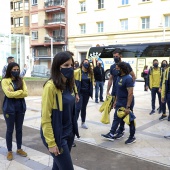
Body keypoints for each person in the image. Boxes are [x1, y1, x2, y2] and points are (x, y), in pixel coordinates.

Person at [40, 51, 79, 170]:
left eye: (71, 65)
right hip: (57, 135)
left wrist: (76, 94)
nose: (70, 68)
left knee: (57, 166)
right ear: (58, 67)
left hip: (69, 132)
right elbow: (45, 118)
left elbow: (73, 92)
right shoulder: (50, 87)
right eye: (66, 65)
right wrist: (51, 143)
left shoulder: (69, 83)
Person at [101, 62, 136, 144]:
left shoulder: (128, 78)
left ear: (122, 69)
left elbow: (130, 94)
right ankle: (112, 133)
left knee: (129, 119)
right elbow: (118, 91)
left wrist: (128, 107)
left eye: (117, 69)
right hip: (119, 101)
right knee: (116, 118)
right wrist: (115, 101)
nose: (116, 70)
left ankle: (132, 137)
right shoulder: (119, 78)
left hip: (126, 102)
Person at [1, 62, 28, 161]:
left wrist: (16, 92)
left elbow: (26, 93)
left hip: (20, 107)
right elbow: (8, 94)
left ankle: (19, 148)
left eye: (17, 69)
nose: (16, 71)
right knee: (10, 129)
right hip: (9, 108)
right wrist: (20, 92)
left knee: (19, 129)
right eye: (14, 70)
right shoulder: (5, 81)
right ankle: (9, 151)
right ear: (9, 70)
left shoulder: (21, 80)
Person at [74, 59, 94, 129]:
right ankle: (74, 123)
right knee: (77, 108)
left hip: (87, 93)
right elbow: (73, 82)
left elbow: (91, 82)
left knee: (83, 108)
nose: (87, 64)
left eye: (88, 63)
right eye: (85, 62)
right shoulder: (77, 72)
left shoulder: (90, 73)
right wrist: (75, 92)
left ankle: (83, 122)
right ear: (82, 63)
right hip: (79, 93)